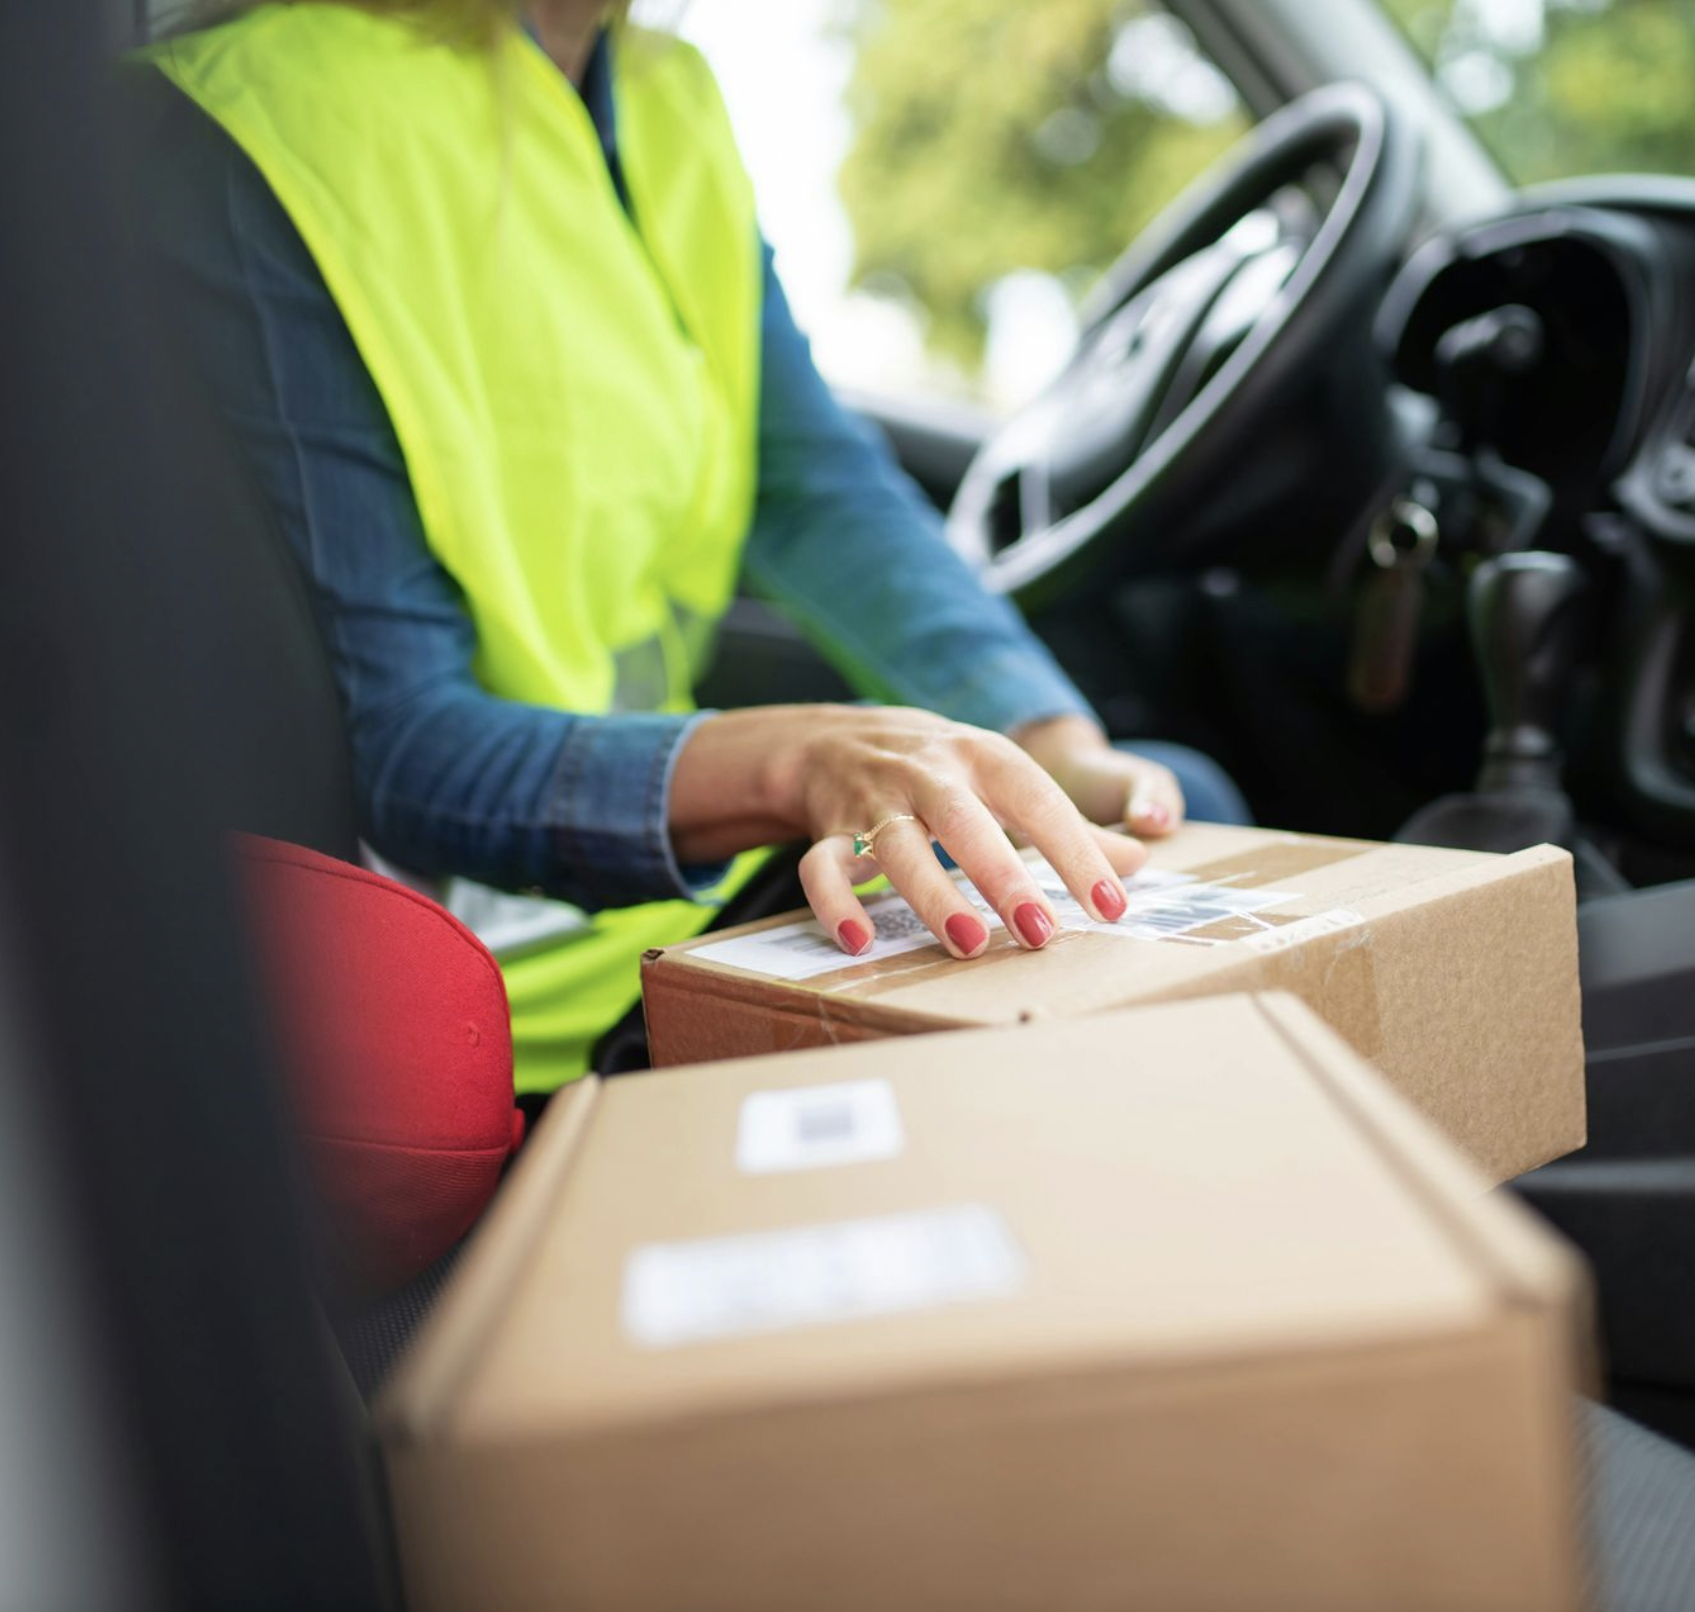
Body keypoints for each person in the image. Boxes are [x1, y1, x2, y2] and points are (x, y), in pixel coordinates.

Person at [130, 0, 1246, 1092]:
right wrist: (799, 763)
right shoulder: (271, 125)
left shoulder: (663, 96)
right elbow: (404, 749)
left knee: (1159, 807)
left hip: (677, 897)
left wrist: (1043, 739)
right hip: (505, 986)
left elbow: (810, 480)